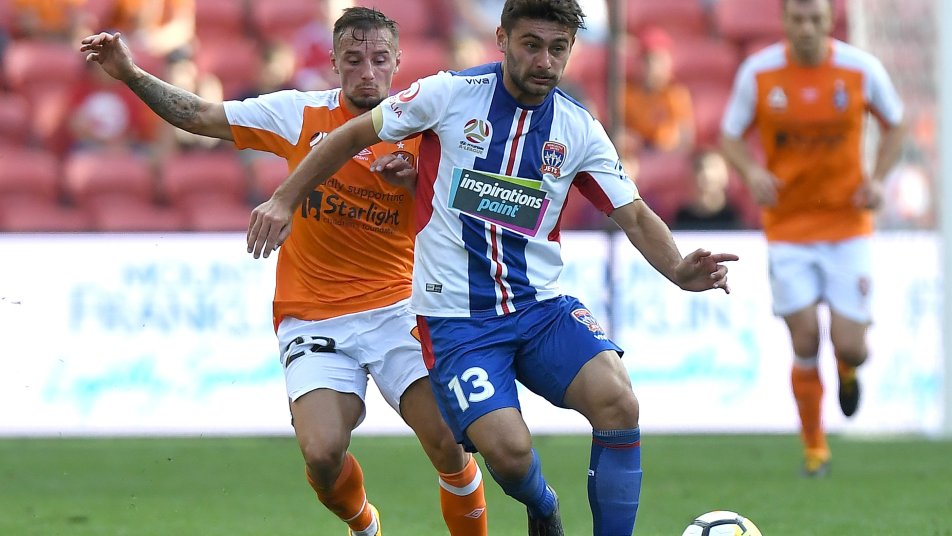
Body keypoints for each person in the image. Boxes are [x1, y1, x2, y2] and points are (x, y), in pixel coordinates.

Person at [246, 1, 738, 534]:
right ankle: (542, 503)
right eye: (532, 45)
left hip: (540, 308)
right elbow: (349, 135)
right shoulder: (449, 94)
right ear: (502, 39)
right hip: (459, 322)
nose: (545, 61)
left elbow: (634, 213)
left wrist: (678, 269)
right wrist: (284, 199)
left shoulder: (578, 129)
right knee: (509, 454)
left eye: (558, 48)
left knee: (618, 401)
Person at [79, 7, 488, 536]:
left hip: (399, 308)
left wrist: (416, 185)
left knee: (449, 443)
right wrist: (132, 74)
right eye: (353, 59)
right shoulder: (299, 114)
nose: (367, 72)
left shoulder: (427, 128)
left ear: (398, 61)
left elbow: (469, 221)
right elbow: (200, 115)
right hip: (314, 317)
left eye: (379, 59)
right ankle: (365, 526)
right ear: (334, 63)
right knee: (321, 454)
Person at [719, 0, 905, 477]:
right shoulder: (759, 72)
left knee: (851, 345)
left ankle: (848, 366)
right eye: (798, 19)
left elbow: (896, 122)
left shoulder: (860, 69)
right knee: (804, 337)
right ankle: (815, 448)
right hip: (789, 228)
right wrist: (752, 172)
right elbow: (729, 135)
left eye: (816, 19)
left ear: (829, 21)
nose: (807, 28)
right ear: (785, 21)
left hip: (848, 227)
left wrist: (878, 179)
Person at [621, 26, 695, 155]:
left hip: (667, 157)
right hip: (636, 157)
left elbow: (686, 139)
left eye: (660, 60)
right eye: (649, 60)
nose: (654, 66)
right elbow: (619, 134)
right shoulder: (626, 93)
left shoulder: (676, 94)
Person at [670, 149, 744, 231]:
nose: (706, 173)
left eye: (714, 167)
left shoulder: (734, 216)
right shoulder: (683, 217)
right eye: (700, 168)